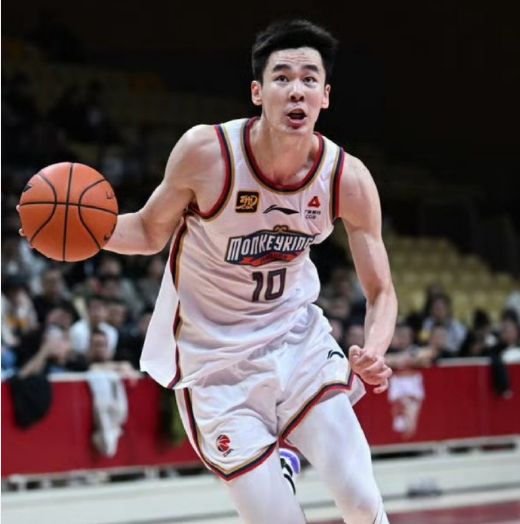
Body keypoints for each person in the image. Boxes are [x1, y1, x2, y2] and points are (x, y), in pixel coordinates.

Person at [85, 19, 397, 523]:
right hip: (215, 363)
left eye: (309, 79)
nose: (296, 89)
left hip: (296, 343)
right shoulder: (207, 154)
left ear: (325, 97)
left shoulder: (347, 178)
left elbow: (381, 291)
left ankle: (290, 452)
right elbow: (147, 231)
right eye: (282, 77)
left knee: (361, 500)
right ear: (257, 92)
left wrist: (375, 350)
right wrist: (86, 231)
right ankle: (281, 461)